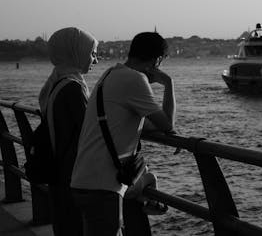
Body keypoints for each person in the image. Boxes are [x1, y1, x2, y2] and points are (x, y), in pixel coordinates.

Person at [71, 32, 176, 236]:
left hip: (83, 180)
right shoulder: (134, 79)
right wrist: (168, 83)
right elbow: (166, 123)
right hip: (102, 187)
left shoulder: (110, 74)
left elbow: (139, 125)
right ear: (158, 60)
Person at [38, 27, 98, 236]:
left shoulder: (55, 85)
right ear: (75, 52)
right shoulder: (73, 88)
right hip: (74, 178)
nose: (95, 60)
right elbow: (90, 134)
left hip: (60, 176)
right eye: (92, 53)